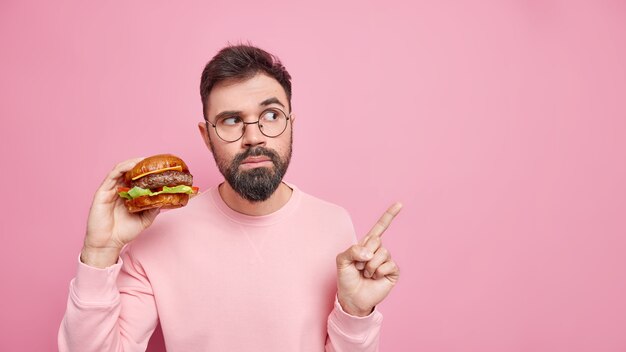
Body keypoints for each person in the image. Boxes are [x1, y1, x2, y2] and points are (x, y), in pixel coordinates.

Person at [58, 44, 402, 352]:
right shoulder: (160, 231)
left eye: (270, 115)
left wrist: (355, 316)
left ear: (291, 123)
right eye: (232, 120)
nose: (254, 137)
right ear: (207, 136)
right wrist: (99, 255)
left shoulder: (333, 224)